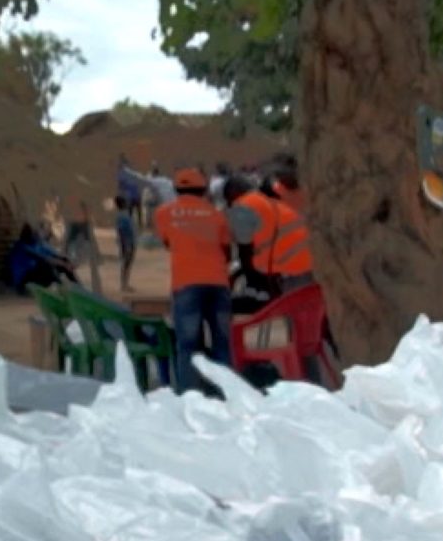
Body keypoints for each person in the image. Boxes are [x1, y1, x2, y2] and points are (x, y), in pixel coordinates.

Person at [154, 163, 236, 388]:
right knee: (222, 344)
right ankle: (227, 396)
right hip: (219, 285)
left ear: (176, 190)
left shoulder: (163, 213)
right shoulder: (218, 216)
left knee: (188, 345)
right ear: (203, 190)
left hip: (186, 284)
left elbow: (168, 242)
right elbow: (226, 251)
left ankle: (191, 398)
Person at [227, 155, 312, 289]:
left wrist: (251, 278)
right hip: (308, 264)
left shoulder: (245, 205)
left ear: (233, 194)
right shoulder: (273, 204)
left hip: (286, 271)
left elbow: (244, 249)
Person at [114, 155, 144, 293]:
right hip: (128, 243)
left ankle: (125, 284)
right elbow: (122, 232)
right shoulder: (123, 217)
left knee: (127, 264)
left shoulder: (122, 215)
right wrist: (125, 245)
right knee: (126, 263)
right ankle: (123, 284)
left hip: (128, 242)